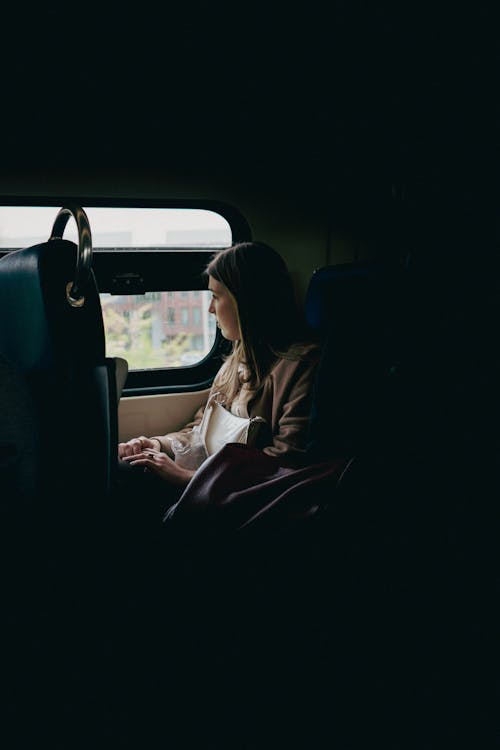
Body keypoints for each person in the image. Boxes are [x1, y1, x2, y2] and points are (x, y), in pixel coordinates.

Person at [118, 241, 320, 502]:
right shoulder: (236, 362)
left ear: (246, 302)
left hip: (243, 500)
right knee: (123, 466)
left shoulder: (303, 366)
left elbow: (284, 466)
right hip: (212, 483)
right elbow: (203, 430)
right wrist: (158, 445)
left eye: (216, 296)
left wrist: (186, 478)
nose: (210, 309)